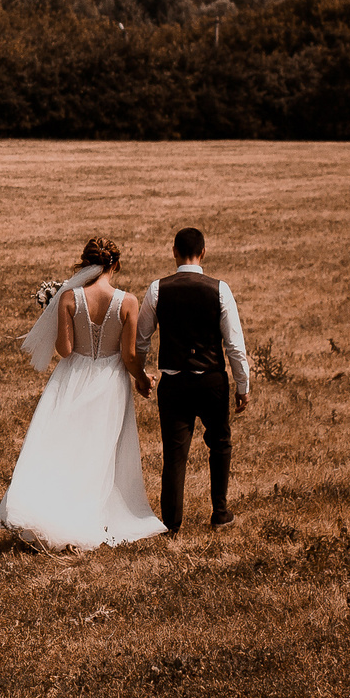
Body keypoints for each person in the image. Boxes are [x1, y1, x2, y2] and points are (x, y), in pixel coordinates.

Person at [0, 237, 169, 551]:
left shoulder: (70, 298)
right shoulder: (127, 301)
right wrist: (142, 378)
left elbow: (65, 349)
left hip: (73, 378)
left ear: (84, 264)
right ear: (115, 264)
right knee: (100, 447)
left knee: (63, 443)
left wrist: (56, 314)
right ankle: (90, 513)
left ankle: (50, 510)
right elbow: (128, 356)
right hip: (110, 379)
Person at [136, 227, 252, 531]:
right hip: (212, 379)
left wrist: (138, 373)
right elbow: (234, 345)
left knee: (175, 455)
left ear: (174, 252)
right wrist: (243, 385)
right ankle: (220, 512)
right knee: (220, 444)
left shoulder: (157, 289)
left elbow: (141, 339)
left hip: (173, 382)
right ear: (203, 252)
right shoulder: (220, 289)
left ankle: (172, 523)